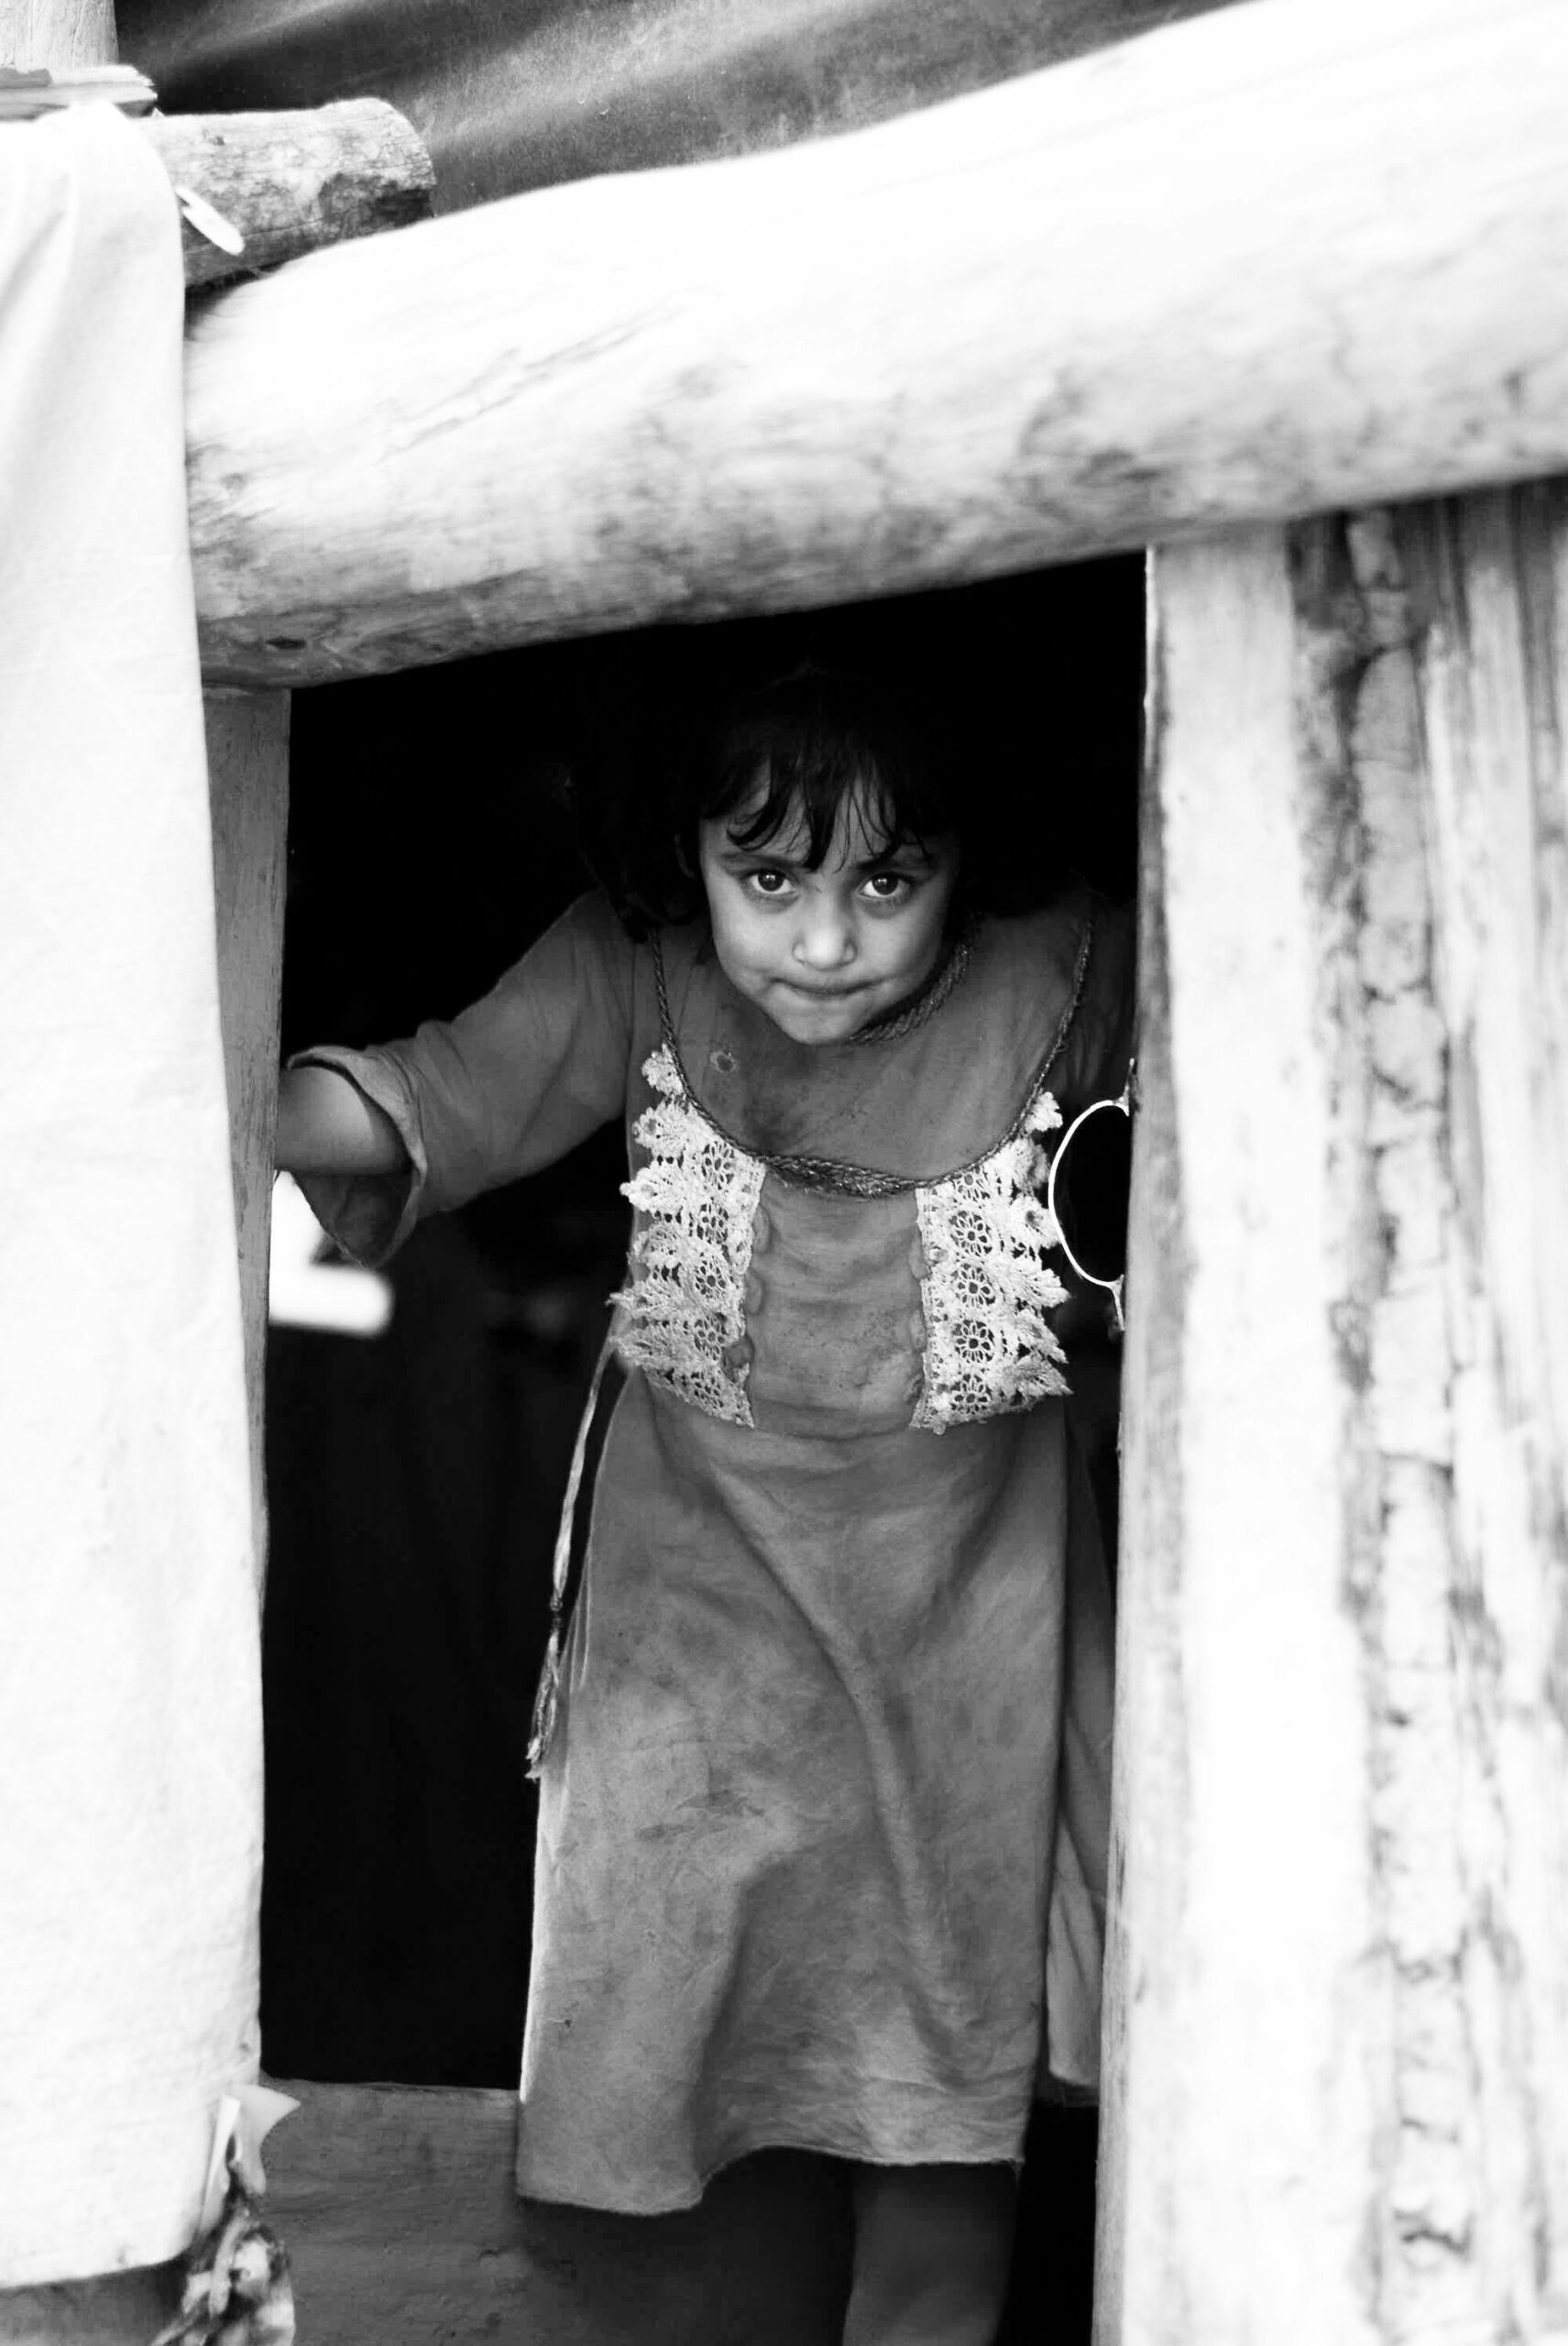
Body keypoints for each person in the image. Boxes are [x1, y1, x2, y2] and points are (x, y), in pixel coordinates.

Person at [275, 668, 1130, 2346]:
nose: (824, 940)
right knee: (677, 2129)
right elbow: (437, 1094)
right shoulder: (636, 959)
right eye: (772, 877)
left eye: (887, 881)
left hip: (971, 1653)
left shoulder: (1081, 967)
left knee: (940, 2147)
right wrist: (166, 1086)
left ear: (973, 857)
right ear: (688, 852)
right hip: (696, 1639)